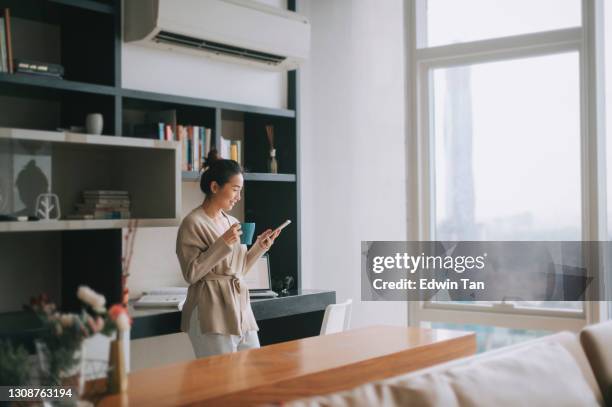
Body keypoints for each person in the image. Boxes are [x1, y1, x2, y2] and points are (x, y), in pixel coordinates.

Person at [176, 150, 281, 357]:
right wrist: (222, 243)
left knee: (254, 372)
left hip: (240, 308)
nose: (238, 197)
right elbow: (191, 273)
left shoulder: (232, 222)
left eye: (240, 191)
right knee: (221, 380)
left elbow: (238, 270)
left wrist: (260, 246)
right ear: (215, 187)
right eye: (234, 190)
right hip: (211, 310)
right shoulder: (193, 223)